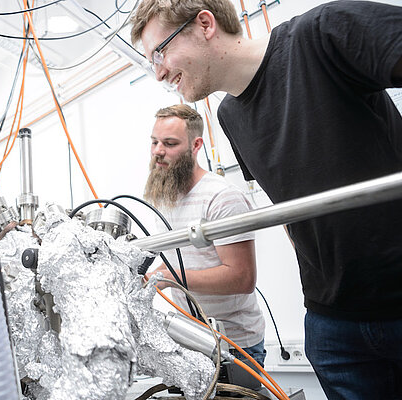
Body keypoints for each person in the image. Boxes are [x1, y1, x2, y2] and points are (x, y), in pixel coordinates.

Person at [131, 1, 402, 399]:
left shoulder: (322, 35)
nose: (158, 72)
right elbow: (288, 206)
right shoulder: (230, 116)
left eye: (161, 51)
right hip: (332, 326)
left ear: (204, 24)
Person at [144, 104, 266, 365]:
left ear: (195, 145)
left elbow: (241, 278)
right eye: (154, 142)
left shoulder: (222, 197)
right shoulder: (164, 196)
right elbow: (179, 258)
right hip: (192, 339)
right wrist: (147, 276)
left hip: (235, 345)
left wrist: (168, 278)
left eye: (169, 143)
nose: (158, 152)